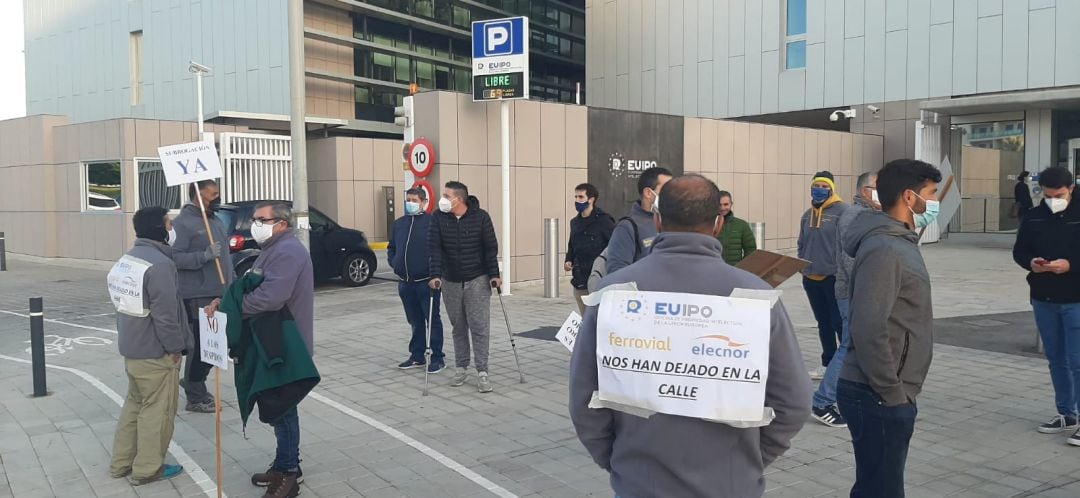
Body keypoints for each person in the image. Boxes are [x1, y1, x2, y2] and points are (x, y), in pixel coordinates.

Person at [569, 174, 810, 497]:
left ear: (657, 220)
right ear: (718, 224)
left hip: (640, 483)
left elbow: (584, 398)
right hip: (731, 484)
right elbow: (794, 402)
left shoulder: (614, 294)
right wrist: (747, 462)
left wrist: (621, 462)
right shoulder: (756, 297)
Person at [838, 159, 941, 498]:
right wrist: (892, 392)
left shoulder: (899, 242)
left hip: (884, 392)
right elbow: (868, 326)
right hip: (877, 394)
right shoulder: (885, 248)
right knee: (881, 490)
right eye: (930, 194)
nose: (934, 202)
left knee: (877, 486)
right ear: (910, 198)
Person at [207, 201, 314, 498]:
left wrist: (231, 310)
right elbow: (247, 288)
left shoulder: (288, 251)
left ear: (281, 223)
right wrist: (224, 301)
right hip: (270, 341)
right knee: (278, 407)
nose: (255, 224)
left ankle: (290, 473)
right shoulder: (271, 250)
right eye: (255, 219)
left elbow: (270, 298)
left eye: (261, 219)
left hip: (287, 344)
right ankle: (284, 463)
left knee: (284, 407)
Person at [109, 207, 191, 485]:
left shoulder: (128, 259)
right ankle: (147, 468)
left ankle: (121, 463)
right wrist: (175, 349)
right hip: (155, 352)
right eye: (169, 223)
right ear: (160, 229)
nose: (172, 228)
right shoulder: (160, 265)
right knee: (158, 412)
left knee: (134, 407)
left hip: (132, 348)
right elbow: (166, 315)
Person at [1012, 166, 1080, 444]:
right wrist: (1032, 263)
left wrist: (1071, 265)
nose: (1053, 200)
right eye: (1048, 195)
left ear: (1072, 189)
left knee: (1078, 361)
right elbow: (1020, 250)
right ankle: (1066, 413)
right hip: (1044, 297)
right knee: (1056, 359)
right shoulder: (1035, 215)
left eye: (1060, 195)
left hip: (1076, 298)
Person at [811, 172, 880, 428]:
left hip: (860, 292)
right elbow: (853, 261)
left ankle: (857, 394)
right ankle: (822, 401)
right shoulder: (855, 217)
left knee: (860, 346)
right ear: (865, 191)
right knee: (849, 346)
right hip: (853, 292)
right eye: (877, 188)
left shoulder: (868, 215)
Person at [429, 181, 502, 393]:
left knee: (479, 325)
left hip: (477, 278)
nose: (442, 199)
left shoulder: (481, 217)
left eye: (446, 195)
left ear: (458, 199)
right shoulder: (438, 217)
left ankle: (482, 371)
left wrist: (494, 275)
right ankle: (461, 367)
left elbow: (490, 248)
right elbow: (434, 248)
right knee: (458, 326)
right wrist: (435, 275)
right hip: (450, 280)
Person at [171, 179, 232, 413]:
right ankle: (195, 395)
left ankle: (193, 382)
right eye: (213, 194)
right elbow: (174, 257)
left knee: (216, 343)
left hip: (219, 291)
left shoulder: (214, 220)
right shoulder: (183, 224)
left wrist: (231, 282)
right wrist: (203, 256)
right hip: (197, 294)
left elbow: (224, 257)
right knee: (201, 347)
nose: (217, 197)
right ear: (198, 194)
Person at [388, 187, 445, 373]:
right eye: (408, 200)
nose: (410, 203)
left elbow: (440, 250)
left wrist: (436, 274)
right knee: (414, 320)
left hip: (426, 281)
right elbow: (392, 248)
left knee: (432, 320)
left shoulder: (432, 223)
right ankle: (417, 355)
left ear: (423, 202)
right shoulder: (399, 223)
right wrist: (395, 263)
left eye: (414, 200)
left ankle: (437, 357)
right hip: (405, 282)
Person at [798, 170, 848, 380]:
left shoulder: (843, 212)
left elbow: (847, 244)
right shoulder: (807, 214)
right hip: (810, 278)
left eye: (824, 186)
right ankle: (827, 364)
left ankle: (846, 366)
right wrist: (801, 262)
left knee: (839, 323)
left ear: (832, 189)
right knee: (823, 324)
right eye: (816, 186)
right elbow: (801, 242)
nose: (819, 190)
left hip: (833, 278)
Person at [605, 166, 673, 275]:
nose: (672, 194)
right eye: (667, 189)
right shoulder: (628, 227)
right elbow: (617, 272)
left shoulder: (673, 222)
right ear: (648, 193)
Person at [565, 183, 616, 313]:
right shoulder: (574, 222)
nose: (577, 200)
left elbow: (615, 245)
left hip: (599, 279)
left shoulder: (604, 221)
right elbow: (572, 244)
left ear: (591, 199)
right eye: (575, 197)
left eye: (581, 197)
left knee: (599, 318)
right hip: (580, 279)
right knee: (585, 317)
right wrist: (568, 259)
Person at [716, 190, 757, 265]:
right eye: (719, 205)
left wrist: (742, 268)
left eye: (726, 204)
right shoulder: (708, 225)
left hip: (734, 271)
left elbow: (751, 251)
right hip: (714, 271)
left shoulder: (741, 225)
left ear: (731, 204)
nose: (722, 208)